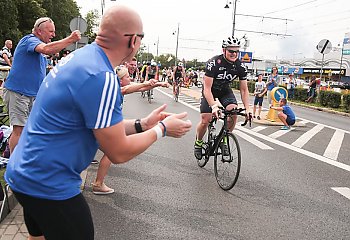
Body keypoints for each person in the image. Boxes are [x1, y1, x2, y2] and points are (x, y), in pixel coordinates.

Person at [4, 6, 191, 240]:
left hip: (23, 174)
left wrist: (143, 124)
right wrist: (161, 130)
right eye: (141, 39)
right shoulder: (101, 76)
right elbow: (119, 151)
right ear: (133, 41)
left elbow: (99, 125)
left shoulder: (82, 58)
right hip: (49, 185)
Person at [3, 17, 81, 154]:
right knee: (19, 129)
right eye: (51, 31)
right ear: (39, 31)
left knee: (29, 129)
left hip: (32, 95)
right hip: (19, 93)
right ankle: (15, 165)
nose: (53, 35)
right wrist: (70, 39)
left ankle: (21, 157)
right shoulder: (30, 40)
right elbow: (46, 49)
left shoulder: (37, 48)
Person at [92, 65, 169, 195]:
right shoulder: (117, 88)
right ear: (120, 80)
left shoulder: (117, 85)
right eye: (127, 76)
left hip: (103, 125)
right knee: (111, 152)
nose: (130, 78)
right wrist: (145, 83)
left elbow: (140, 87)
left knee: (108, 151)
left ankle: (97, 182)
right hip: (101, 127)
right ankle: (98, 184)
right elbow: (127, 89)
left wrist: (157, 84)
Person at [194, 36, 251, 159]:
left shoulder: (240, 66)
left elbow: (244, 89)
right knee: (206, 119)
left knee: (234, 112)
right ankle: (198, 142)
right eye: (231, 51)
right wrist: (214, 106)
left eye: (236, 51)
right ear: (223, 50)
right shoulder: (213, 63)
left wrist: (248, 109)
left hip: (225, 91)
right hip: (210, 91)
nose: (234, 54)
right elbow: (207, 88)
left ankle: (224, 140)